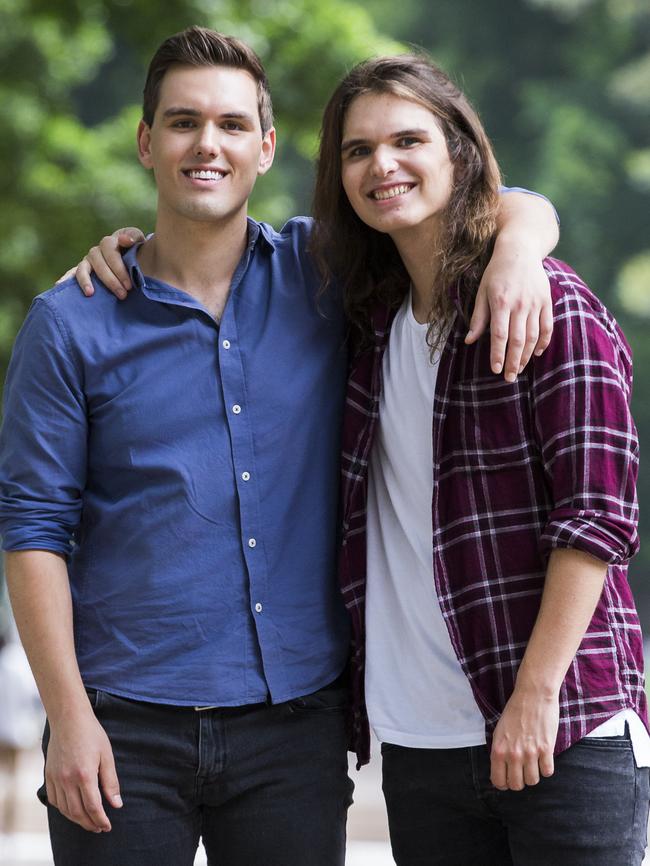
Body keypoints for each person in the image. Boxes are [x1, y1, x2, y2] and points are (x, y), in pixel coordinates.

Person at [0, 26, 559, 866]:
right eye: (183, 123)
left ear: (265, 147)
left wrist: (520, 246)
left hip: (295, 730)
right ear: (147, 142)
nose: (206, 145)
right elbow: (32, 528)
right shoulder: (71, 323)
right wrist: (69, 720)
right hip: (121, 729)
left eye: (231, 125)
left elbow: (477, 199)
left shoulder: (326, 273)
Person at [309, 54, 649, 865]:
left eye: (407, 140)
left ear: (460, 151)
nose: (382, 165)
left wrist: (535, 698)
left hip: (561, 729)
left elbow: (596, 518)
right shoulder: (364, 326)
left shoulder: (546, 304)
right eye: (357, 151)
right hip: (421, 746)